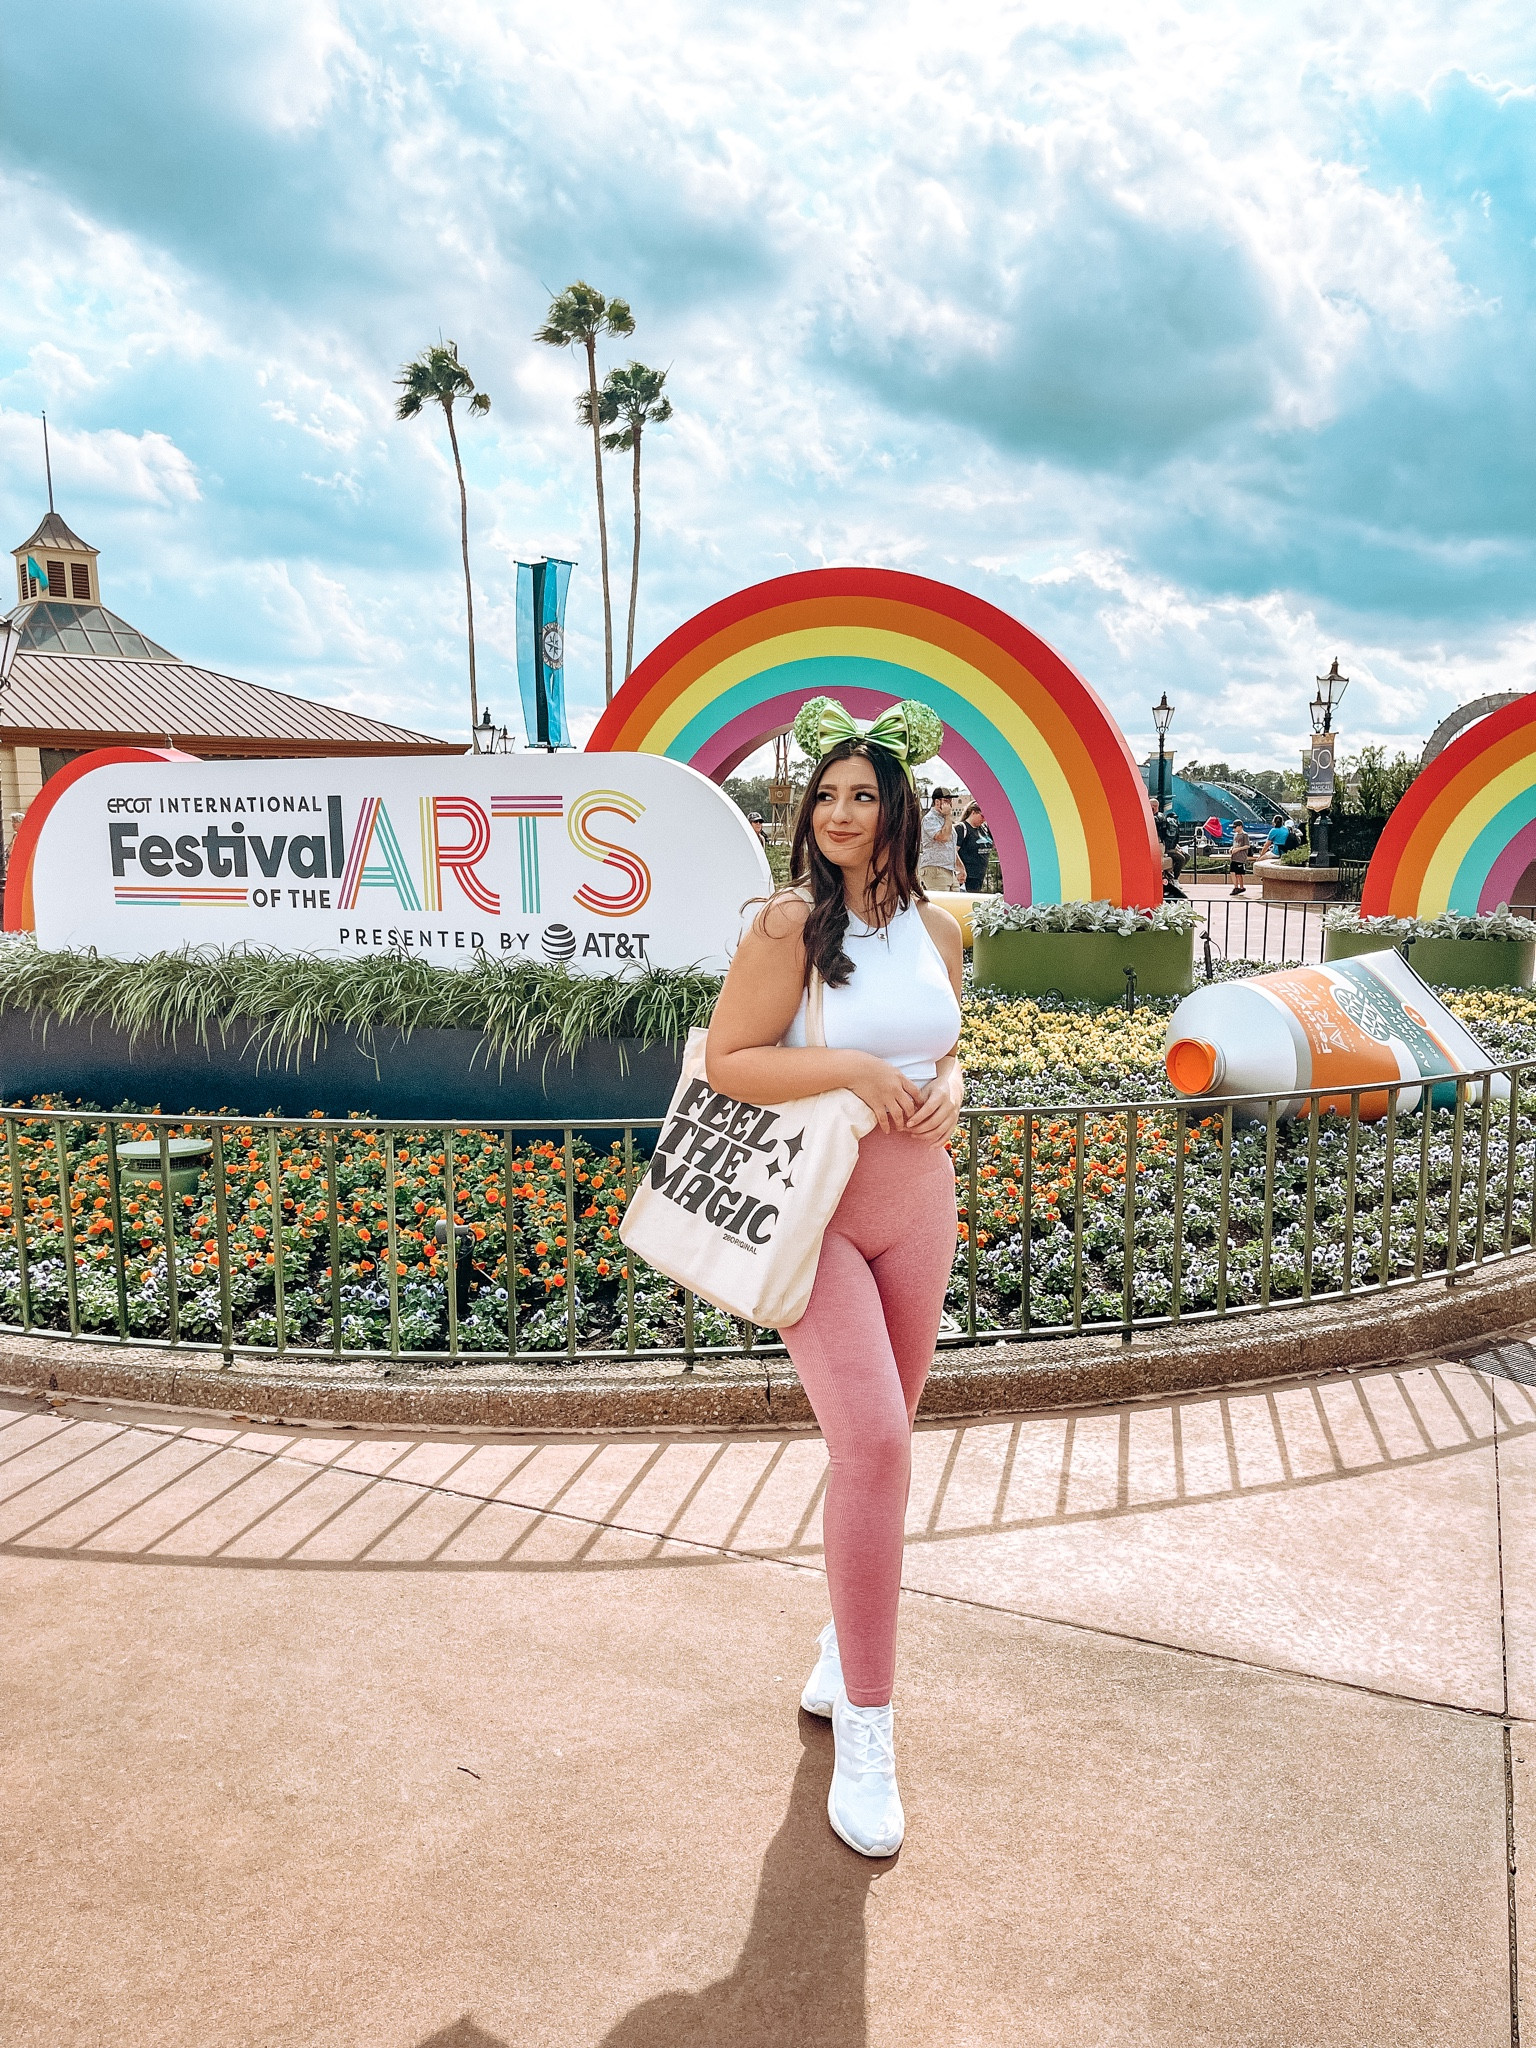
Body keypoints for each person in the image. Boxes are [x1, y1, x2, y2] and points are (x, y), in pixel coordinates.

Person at [706, 695, 964, 1860]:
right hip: (816, 1213)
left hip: (921, 1206)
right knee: (875, 1445)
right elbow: (730, 1061)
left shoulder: (942, 924)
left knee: (882, 1443)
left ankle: (836, 1640)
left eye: (865, 793)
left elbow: (947, 1040)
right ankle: (868, 1721)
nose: (843, 810)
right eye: (827, 793)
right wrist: (852, 1062)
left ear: (900, 805)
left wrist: (954, 1081)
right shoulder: (786, 923)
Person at [918, 786, 963, 892]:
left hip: (949, 870)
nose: (950, 804)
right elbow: (943, 837)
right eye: (946, 801)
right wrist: (948, 815)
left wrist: (960, 867)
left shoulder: (945, 820)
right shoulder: (930, 819)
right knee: (941, 904)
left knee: (954, 904)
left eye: (950, 801)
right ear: (937, 802)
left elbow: (950, 846)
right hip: (935, 869)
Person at [955, 802, 993, 891]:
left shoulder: (984, 829)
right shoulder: (961, 828)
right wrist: (961, 869)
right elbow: (953, 851)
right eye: (982, 816)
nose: (984, 819)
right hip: (967, 876)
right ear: (973, 812)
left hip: (980, 876)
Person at [1154, 799, 1186, 886]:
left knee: (1185, 857)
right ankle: (1174, 879)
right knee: (1181, 858)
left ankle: (1173, 876)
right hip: (1162, 848)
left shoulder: (1162, 818)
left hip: (1165, 847)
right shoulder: (1159, 818)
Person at [1229, 821, 1252, 895]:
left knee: (1239, 873)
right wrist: (1232, 848)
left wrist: (1238, 849)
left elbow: (1247, 845)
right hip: (1234, 856)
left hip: (1241, 857)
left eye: (1235, 827)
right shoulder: (1235, 835)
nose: (1234, 829)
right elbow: (1234, 844)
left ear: (1240, 826)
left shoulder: (1245, 835)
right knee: (1232, 872)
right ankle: (1236, 887)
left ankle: (1241, 887)